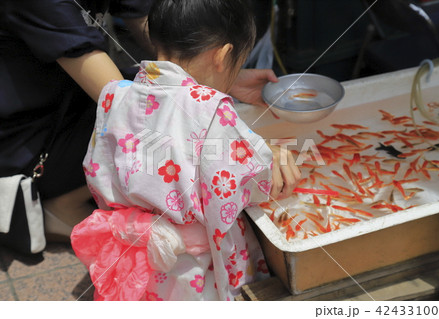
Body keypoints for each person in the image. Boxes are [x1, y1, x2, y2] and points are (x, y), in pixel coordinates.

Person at [71, 0, 301, 301]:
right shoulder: (211, 109)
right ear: (223, 55)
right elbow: (247, 186)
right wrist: (271, 163)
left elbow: (98, 169)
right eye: (238, 63)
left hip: (135, 256)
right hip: (193, 270)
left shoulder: (114, 95)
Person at [0, 0, 279, 245]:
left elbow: (172, 38)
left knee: (159, 99)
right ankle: (61, 205)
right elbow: (128, 110)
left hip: (70, 98)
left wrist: (224, 75)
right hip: (27, 134)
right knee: (169, 128)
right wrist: (248, 150)